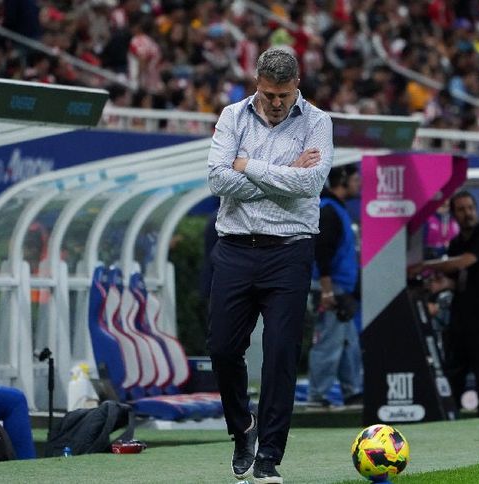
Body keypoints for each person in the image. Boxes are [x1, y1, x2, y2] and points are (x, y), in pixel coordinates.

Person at [206, 47, 332, 483]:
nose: (276, 103)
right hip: (235, 248)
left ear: (297, 84)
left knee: (280, 354)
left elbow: (310, 183)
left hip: (290, 251)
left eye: (283, 95)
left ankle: (269, 457)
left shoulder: (318, 122)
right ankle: (243, 427)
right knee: (222, 349)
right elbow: (217, 178)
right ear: (256, 84)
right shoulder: (232, 116)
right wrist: (283, 172)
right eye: (268, 94)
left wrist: (248, 167)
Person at [410, 191, 479, 417]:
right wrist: (438, 286)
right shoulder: (456, 243)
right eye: (461, 210)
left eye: (470, 208)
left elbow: (463, 262)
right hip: (461, 319)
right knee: (454, 374)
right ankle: (452, 418)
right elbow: (456, 279)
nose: (467, 213)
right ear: (453, 214)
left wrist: (425, 265)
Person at [307, 165, 363, 409]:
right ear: (343, 180)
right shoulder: (329, 211)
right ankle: (316, 396)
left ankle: (353, 392)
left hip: (339, 288)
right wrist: (327, 291)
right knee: (328, 343)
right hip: (330, 289)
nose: (359, 184)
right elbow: (322, 253)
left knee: (349, 343)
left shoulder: (336, 209)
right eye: (356, 179)